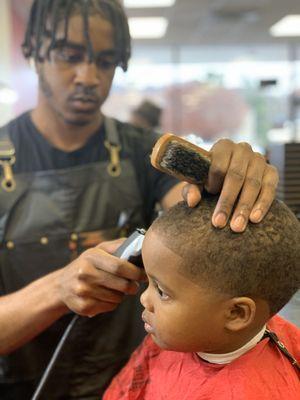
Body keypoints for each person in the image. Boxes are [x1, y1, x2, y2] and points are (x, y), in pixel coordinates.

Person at [0, 0, 279, 399]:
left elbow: (192, 209)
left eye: (106, 61)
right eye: (70, 55)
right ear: (32, 52)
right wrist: (58, 289)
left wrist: (231, 180)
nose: (88, 76)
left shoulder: (143, 153)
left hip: (128, 382)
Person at [104, 196, 300, 400]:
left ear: (236, 313)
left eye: (162, 291)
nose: (144, 299)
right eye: (150, 284)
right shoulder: (182, 334)